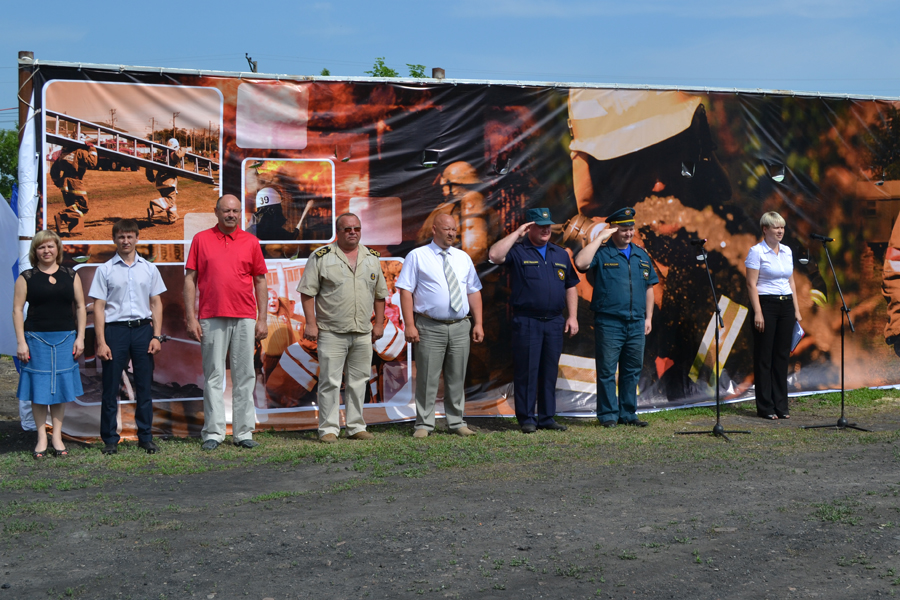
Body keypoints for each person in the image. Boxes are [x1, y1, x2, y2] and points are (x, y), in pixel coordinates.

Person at [184, 194, 268, 450]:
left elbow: (260, 281)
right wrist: (191, 317)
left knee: (245, 376)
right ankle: (213, 432)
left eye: (235, 211)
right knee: (213, 376)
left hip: (244, 316)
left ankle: (243, 433)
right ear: (216, 212)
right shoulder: (201, 240)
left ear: (240, 213)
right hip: (210, 316)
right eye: (226, 211)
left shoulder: (251, 241)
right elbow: (190, 279)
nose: (231, 215)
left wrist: (262, 318)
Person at [488, 207, 581, 433]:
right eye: (540, 225)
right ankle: (527, 418)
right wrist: (517, 233)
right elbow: (494, 256)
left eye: (548, 225)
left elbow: (570, 286)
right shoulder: (518, 250)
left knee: (550, 371)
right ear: (529, 227)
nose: (546, 229)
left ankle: (547, 417)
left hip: (554, 321)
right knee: (527, 371)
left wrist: (573, 317)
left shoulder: (560, 254)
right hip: (527, 320)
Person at [297, 213, 388, 443]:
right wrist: (310, 323)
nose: (353, 232)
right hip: (331, 331)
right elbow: (308, 292)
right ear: (338, 231)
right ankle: (328, 429)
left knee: (359, 381)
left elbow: (380, 295)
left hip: (362, 332)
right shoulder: (321, 257)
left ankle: (356, 426)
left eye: (357, 228)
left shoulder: (372, 258)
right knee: (330, 381)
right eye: (348, 229)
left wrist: (378, 323)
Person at [397, 213, 484, 438]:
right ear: (434, 230)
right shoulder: (417, 256)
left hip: (460, 326)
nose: (451, 233)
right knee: (427, 377)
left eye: (454, 229)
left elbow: (473, 291)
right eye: (446, 229)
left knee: (457, 376)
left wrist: (479, 323)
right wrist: (409, 324)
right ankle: (424, 424)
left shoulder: (462, 257)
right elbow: (405, 291)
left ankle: (456, 422)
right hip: (429, 325)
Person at [574, 207, 657, 428]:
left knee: (632, 370)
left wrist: (648, 318)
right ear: (613, 230)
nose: (628, 233)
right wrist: (600, 238)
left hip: (636, 322)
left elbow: (650, 287)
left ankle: (628, 413)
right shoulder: (601, 252)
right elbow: (581, 264)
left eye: (631, 229)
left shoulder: (641, 254)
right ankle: (608, 415)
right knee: (607, 370)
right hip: (609, 321)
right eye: (623, 230)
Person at [89, 219, 167, 455]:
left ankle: (145, 436)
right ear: (114, 239)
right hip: (116, 331)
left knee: (144, 386)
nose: (125, 241)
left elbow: (156, 304)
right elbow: (99, 308)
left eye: (130, 236)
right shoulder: (105, 270)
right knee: (111, 387)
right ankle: (110, 440)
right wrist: (101, 342)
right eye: (121, 237)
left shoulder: (149, 268)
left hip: (144, 330)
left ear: (137, 238)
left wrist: (156, 336)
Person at [13, 230, 86, 458]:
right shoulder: (26, 277)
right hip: (35, 340)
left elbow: (81, 307)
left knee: (60, 389)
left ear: (58, 249)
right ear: (35, 251)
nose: (46, 251)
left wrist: (81, 337)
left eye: (50, 246)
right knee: (40, 390)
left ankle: (57, 436)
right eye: (41, 247)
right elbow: (16, 310)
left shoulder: (71, 275)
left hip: (66, 339)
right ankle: (42, 437)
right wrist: (21, 342)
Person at [745, 211, 802, 420]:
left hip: (786, 304)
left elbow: (791, 282)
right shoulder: (756, 252)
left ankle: (781, 405)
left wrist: (796, 309)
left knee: (781, 356)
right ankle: (765, 407)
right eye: (776, 227)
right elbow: (751, 284)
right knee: (764, 357)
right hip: (766, 305)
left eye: (782, 227)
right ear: (765, 229)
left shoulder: (787, 251)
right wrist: (758, 312)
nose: (780, 231)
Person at [50, 135, 98, 235]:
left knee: (72, 206)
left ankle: (75, 230)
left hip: (65, 182)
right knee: (82, 206)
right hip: (75, 182)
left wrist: (58, 182)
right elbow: (92, 163)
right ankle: (61, 216)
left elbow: (54, 170)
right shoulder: (80, 152)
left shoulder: (63, 154)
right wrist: (92, 148)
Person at [146, 138, 187, 224]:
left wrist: (150, 177)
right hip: (168, 182)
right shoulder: (171, 155)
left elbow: (149, 166)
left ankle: (172, 217)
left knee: (170, 200)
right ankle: (154, 209)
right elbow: (177, 155)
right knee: (170, 201)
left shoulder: (162, 156)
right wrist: (183, 149)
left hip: (160, 182)